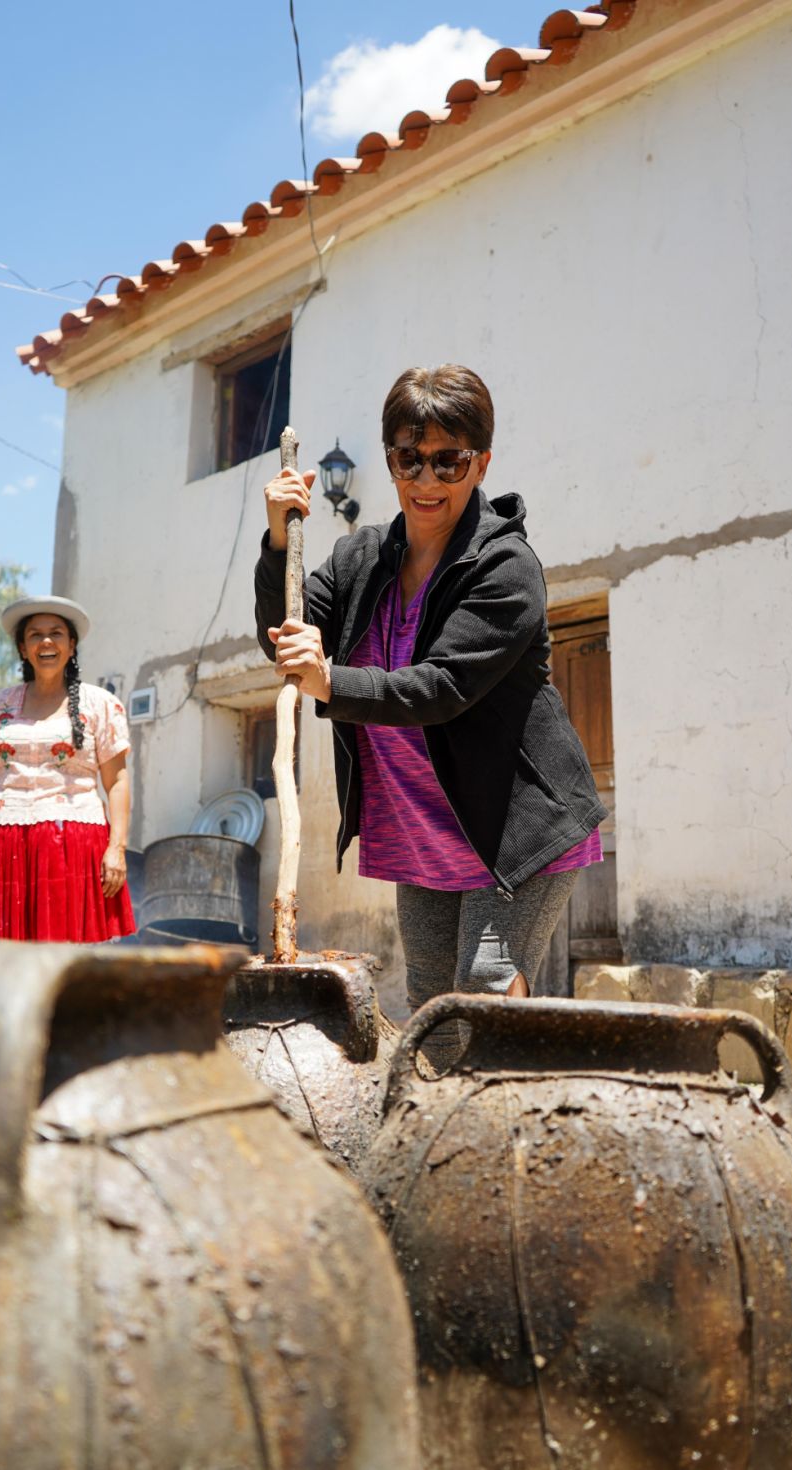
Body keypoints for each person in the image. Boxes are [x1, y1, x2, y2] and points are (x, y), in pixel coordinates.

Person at [255, 365, 606, 1064]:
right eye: (407, 458)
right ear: (389, 458)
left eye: (449, 460)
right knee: (430, 1010)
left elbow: (440, 687)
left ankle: (509, 1147)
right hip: (422, 828)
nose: (427, 479)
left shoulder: (506, 567)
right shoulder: (362, 557)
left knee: (482, 987)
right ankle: (441, 1155)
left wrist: (330, 680)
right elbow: (288, 631)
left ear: (481, 462)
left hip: (511, 835)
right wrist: (275, 540)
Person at [0, 595, 136, 942]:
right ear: (22, 647)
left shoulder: (101, 705)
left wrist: (116, 847)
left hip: (72, 845)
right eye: (35, 635)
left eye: (56, 633)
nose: (46, 642)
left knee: (65, 961)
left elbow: (117, 780)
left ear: (71, 645)